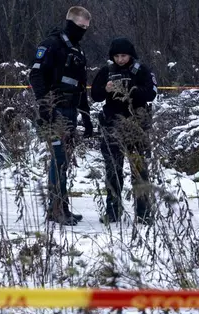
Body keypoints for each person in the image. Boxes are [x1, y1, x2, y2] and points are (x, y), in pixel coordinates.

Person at [29, 6, 94, 226]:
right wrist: (44, 105)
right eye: (80, 27)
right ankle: (55, 209)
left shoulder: (77, 50)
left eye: (86, 28)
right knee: (58, 160)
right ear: (70, 23)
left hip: (71, 110)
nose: (83, 31)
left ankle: (62, 206)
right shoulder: (52, 44)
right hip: (54, 110)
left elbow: (80, 86)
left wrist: (86, 117)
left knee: (64, 161)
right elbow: (36, 74)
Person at [90, 37, 158, 225]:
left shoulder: (141, 70)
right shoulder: (107, 71)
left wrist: (130, 90)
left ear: (131, 55)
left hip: (136, 125)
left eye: (124, 56)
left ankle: (143, 212)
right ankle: (113, 211)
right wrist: (106, 89)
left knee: (139, 170)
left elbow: (152, 92)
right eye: (117, 56)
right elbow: (94, 95)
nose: (120, 59)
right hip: (112, 126)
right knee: (113, 170)